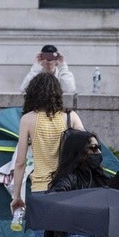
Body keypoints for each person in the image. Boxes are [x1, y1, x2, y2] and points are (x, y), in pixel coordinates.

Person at [8, 71, 85, 221]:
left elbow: (20, 162)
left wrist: (16, 195)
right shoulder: (71, 117)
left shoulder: (27, 119)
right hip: (68, 188)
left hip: (40, 188)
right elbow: (89, 147)